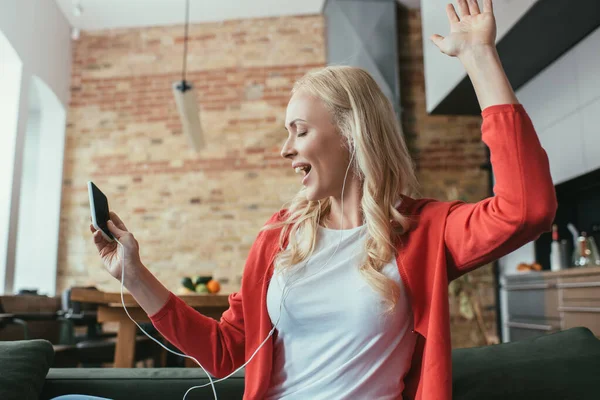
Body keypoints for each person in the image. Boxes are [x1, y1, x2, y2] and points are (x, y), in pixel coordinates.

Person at [53, 0, 557, 399]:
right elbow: (226, 350)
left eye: (299, 131)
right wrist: (132, 274)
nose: (284, 149)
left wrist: (479, 57)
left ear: (351, 134)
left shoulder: (424, 230)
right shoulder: (279, 238)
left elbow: (526, 208)